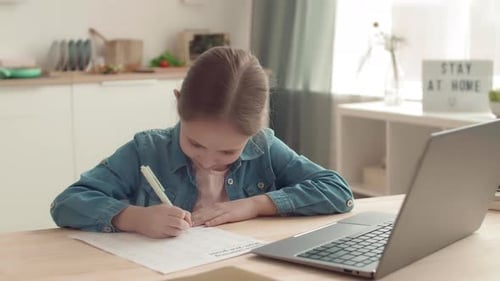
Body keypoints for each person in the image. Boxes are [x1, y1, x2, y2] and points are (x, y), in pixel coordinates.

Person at [50, 47, 354, 239]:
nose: (208, 161)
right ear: (179, 104)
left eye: (228, 151)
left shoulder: (263, 147)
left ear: (257, 126)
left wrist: (254, 205)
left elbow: (338, 191)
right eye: (195, 144)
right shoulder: (146, 150)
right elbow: (66, 204)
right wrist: (133, 218)